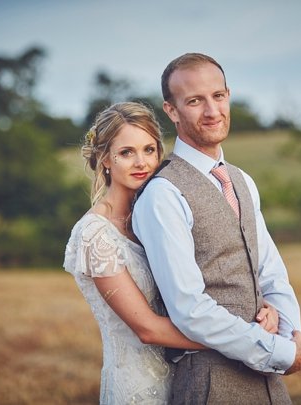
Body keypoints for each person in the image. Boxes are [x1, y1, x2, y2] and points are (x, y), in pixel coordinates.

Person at [63, 101, 280, 404]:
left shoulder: (158, 218)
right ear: (105, 159)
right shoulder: (94, 235)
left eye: (149, 150)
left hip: (189, 381)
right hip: (138, 388)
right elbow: (147, 330)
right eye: (127, 152)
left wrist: (261, 308)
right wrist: (244, 338)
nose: (141, 162)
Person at [132, 53, 301, 404]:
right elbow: (189, 308)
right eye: (195, 101)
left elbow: (270, 272)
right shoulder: (162, 194)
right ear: (171, 110)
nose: (212, 111)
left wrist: (292, 332)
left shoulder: (242, 181)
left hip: (269, 381)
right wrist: (276, 351)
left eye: (219, 96)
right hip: (210, 381)